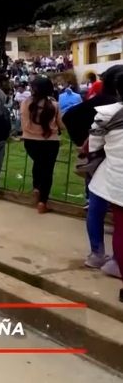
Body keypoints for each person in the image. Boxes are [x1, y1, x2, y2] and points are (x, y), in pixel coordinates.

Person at [86, 72, 123, 295]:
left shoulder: (104, 115)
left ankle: (101, 256)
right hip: (113, 175)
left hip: (114, 176)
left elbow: (94, 144)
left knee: (118, 225)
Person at [21, 77, 64, 214]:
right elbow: (61, 124)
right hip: (50, 141)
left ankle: (36, 188)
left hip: (30, 141)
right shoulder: (54, 105)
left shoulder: (25, 103)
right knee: (47, 170)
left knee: (38, 163)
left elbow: (23, 123)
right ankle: (42, 202)